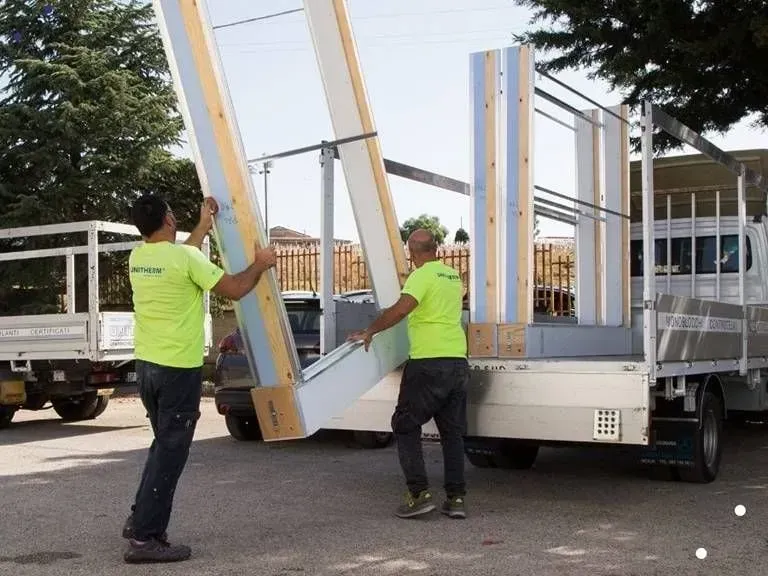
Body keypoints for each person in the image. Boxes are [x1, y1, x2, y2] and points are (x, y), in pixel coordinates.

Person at [122, 193, 277, 564]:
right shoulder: (184, 258)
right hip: (177, 371)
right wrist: (260, 264)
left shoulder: (139, 257)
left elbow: (182, 259)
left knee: (162, 445)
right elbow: (238, 289)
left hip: (147, 368)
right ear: (170, 220)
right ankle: (145, 539)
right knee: (171, 454)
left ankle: (139, 519)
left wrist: (203, 227)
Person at [347, 229, 469, 520]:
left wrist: (371, 331)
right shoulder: (453, 277)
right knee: (452, 433)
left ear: (413, 252)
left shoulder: (421, 275)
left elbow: (402, 309)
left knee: (404, 424)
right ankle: (456, 498)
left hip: (428, 361)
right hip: (457, 361)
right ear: (436, 249)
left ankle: (419, 494)